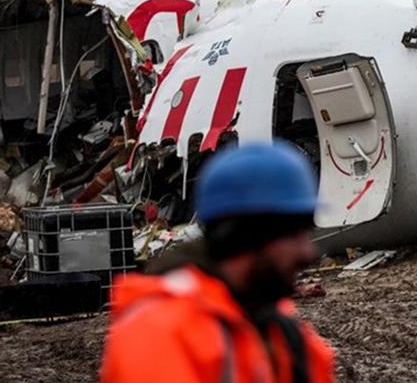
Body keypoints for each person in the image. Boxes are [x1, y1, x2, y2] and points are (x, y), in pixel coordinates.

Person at [100, 142, 335, 383]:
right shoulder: (160, 331)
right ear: (247, 236)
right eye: (294, 235)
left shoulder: (279, 327)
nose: (308, 252)